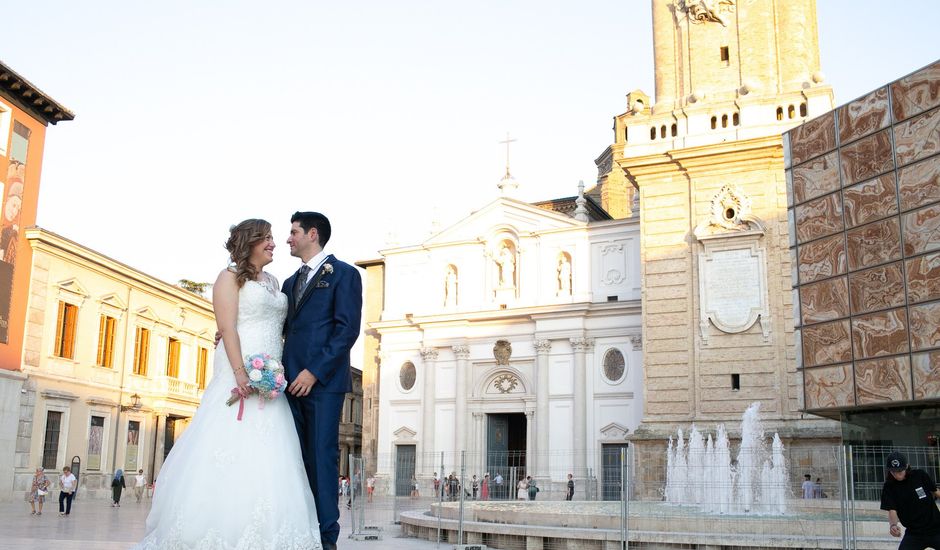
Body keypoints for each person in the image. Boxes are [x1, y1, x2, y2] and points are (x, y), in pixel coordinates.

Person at [135, 220, 321, 549]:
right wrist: (241, 373)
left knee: (272, 454)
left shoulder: (275, 282)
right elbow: (228, 328)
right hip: (240, 373)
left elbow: (279, 327)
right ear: (250, 242)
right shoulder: (228, 278)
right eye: (266, 239)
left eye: (273, 239)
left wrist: (271, 372)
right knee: (229, 444)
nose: (273, 244)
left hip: (270, 380)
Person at [282, 211, 362, 550]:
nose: (288, 238)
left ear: (312, 234)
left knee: (322, 457)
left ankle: (327, 537)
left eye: (293, 232)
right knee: (293, 457)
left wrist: (314, 371)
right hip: (287, 385)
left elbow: (347, 330)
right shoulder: (288, 283)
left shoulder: (345, 274)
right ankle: (300, 530)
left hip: (323, 384)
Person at [881, 451, 940, 549]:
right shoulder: (889, 487)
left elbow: (936, 492)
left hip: (936, 529)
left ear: (906, 466)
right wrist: (893, 526)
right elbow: (892, 510)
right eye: (893, 472)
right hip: (914, 533)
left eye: (900, 471)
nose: (897, 475)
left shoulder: (920, 475)